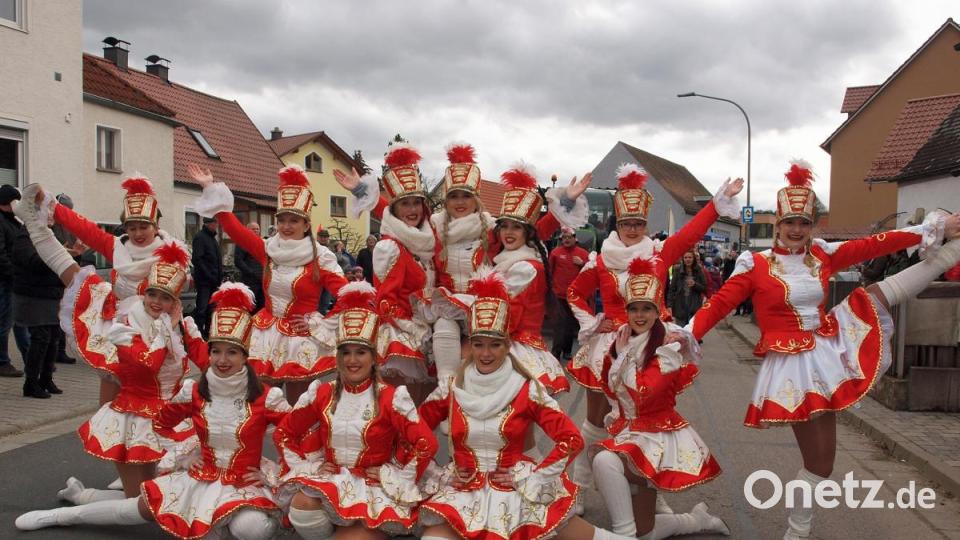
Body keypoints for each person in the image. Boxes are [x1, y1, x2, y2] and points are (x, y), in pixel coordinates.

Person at [675, 160, 960, 539]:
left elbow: (873, 244)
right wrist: (689, 332)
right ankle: (796, 533)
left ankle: (953, 251)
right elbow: (721, 302)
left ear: (812, 226)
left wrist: (931, 230)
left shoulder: (821, 255)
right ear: (777, 224)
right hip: (793, 369)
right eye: (790, 222)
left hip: (825, 349)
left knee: (823, 462)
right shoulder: (755, 264)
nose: (796, 230)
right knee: (819, 462)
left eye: (804, 223)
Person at [16, 282, 291, 540]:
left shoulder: (267, 398)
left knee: (252, 528)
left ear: (245, 357)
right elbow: (161, 424)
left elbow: (298, 435)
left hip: (244, 482)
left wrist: (273, 474)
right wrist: (183, 456)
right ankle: (62, 515)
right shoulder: (195, 391)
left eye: (231, 353)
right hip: (200, 477)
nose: (221, 360)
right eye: (216, 351)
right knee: (138, 509)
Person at [417, 270, 633, 540]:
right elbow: (411, 433)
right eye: (479, 344)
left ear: (507, 345)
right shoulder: (450, 389)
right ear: (469, 346)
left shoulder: (527, 388)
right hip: (463, 492)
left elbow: (571, 439)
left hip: (515, 490)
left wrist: (535, 479)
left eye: (494, 345)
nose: (485, 353)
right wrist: (437, 474)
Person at [565, 163, 742, 493]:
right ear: (617, 223)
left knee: (647, 423)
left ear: (646, 224)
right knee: (594, 421)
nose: (632, 228)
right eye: (626, 222)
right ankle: (580, 485)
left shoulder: (661, 254)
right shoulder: (601, 259)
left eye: (639, 223)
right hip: (609, 349)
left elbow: (691, 233)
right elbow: (574, 292)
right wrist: (592, 323)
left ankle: (641, 486)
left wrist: (718, 204)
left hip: (651, 349)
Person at [274, 281, 439, 539]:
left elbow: (426, 443)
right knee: (302, 509)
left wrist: (393, 474)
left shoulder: (392, 398)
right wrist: (310, 466)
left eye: (361, 352)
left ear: (374, 357)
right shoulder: (322, 392)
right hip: (335, 480)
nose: (352, 361)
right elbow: (284, 433)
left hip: (373, 488)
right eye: (346, 353)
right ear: (337, 356)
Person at [588, 256, 727, 539]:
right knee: (642, 529)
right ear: (626, 311)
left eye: (647, 309)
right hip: (629, 431)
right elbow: (609, 385)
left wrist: (623, 357)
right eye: (634, 309)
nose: (640, 316)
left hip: (653, 437)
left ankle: (688, 522)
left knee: (606, 464)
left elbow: (644, 395)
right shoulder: (620, 342)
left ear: (657, 311)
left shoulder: (668, 349)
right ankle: (683, 522)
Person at [190, 163, 347, 404]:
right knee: (261, 402)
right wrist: (209, 186)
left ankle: (295, 442)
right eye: (282, 219)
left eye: (293, 220)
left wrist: (321, 325)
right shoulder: (269, 250)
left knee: (299, 404)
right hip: (266, 332)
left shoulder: (321, 258)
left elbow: (349, 296)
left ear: (306, 224)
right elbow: (235, 229)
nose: (286, 226)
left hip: (300, 337)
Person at [40, 176, 178, 407]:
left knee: (148, 396)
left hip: (154, 330)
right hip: (118, 327)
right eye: (132, 228)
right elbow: (85, 229)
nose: (138, 233)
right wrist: (52, 205)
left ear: (156, 226)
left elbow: (167, 300)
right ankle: (108, 429)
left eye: (144, 226)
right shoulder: (118, 247)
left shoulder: (171, 255)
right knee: (110, 381)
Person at [12, 204, 65, 398]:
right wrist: (58, 258)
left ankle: (46, 379)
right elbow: (33, 261)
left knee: (53, 339)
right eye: (47, 214)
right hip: (33, 296)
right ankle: (31, 383)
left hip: (51, 294)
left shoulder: (49, 235)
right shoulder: (25, 236)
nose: (50, 217)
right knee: (40, 339)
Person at [0, 184, 28, 377]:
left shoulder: (12, 222)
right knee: (5, 323)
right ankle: (2, 362)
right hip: (6, 280)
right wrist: (14, 272)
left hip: (14, 280)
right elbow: (1, 253)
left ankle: (32, 360)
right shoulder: (2, 222)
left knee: (19, 322)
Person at [549, 227, 589, 360]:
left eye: (569, 237)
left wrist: (582, 264)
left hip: (574, 296)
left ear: (574, 238)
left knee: (570, 325)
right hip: (558, 295)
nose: (566, 240)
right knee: (560, 324)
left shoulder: (583, 254)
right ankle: (556, 352)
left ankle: (567, 351)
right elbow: (549, 272)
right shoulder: (555, 253)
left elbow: (590, 273)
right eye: (564, 238)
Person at [191, 217, 222, 338]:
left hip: (214, 281)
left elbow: (216, 260)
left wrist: (219, 276)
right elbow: (197, 259)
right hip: (205, 281)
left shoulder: (213, 239)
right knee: (202, 309)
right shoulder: (200, 237)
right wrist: (209, 275)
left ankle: (209, 332)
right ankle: (198, 334)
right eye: (215, 223)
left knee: (211, 309)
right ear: (209, 224)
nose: (217, 225)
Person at [667, 250, 707, 326]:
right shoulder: (677, 270)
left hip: (694, 305)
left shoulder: (698, 270)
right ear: (683, 259)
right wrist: (669, 305)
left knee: (692, 331)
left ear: (693, 259)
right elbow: (671, 289)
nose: (688, 259)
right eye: (685, 257)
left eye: (690, 257)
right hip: (680, 305)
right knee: (681, 332)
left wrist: (695, 284)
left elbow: (704, 287)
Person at [234, 221, 266, 311]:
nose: (256, 231)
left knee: (262, 306)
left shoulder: (262, 242)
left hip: (262, 280)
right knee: (250, 306)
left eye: (257, 229)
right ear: (247, 230)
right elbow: (238, 261)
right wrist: (251, 272)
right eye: (253, 229)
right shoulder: (242, 242)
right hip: (250, 281)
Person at [317, 228, 334, 313]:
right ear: (318, 237)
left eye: (325, 237)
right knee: (315, 304)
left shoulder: (330, 249)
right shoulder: (314, 247)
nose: (323, 238)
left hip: (327, 279)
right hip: (316, 278)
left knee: (324, 304)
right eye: (322, 237)